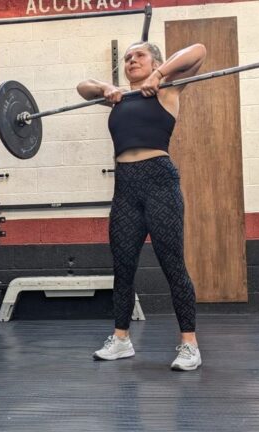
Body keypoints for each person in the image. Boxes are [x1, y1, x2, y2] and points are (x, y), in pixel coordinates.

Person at [77, 41, 206, 370]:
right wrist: (106, 87)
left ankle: (189, 345)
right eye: (127, 58)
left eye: (140, 56)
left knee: (173, 266)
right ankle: (121, 340)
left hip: (160, 183)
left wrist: (160, 75)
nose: (131, 60)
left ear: (156, 62)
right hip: (125, 187)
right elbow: (82, 87)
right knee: (122, 269)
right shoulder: (119, 98)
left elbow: (199, 51)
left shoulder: (168, 90)